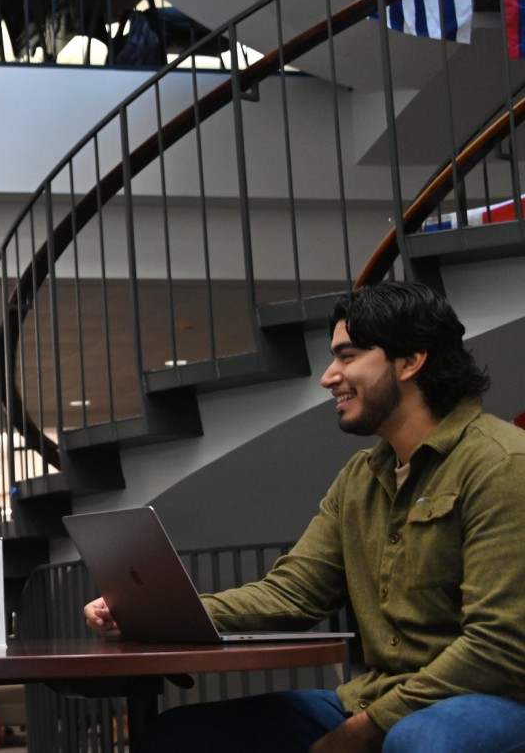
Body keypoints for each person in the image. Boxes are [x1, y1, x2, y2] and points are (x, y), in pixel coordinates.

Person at [83, 281, 525, 753]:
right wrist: (157, 615)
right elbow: (292, 594)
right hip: (377, 697)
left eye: (348, 355)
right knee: (179, 738)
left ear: (411, 361)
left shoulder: (502, 464)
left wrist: (361, 731)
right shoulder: (360, 478)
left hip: (489, 696)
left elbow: (499, 645)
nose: (328, 376)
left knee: (422, 740)